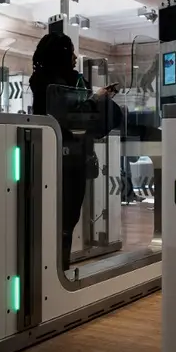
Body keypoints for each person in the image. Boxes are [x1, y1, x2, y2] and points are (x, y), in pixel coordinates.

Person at [29, 33, 120, 270]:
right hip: (72, 158)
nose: (75, 56)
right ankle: (59, 270)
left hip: (48, 155)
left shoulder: (40, 80)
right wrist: (97, 98)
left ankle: (48, 269)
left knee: (50, 217)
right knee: (67, 219)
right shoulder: (62, 83)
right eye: (70, 50)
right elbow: (73, 117)